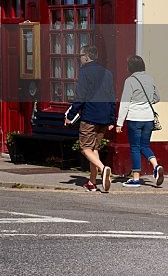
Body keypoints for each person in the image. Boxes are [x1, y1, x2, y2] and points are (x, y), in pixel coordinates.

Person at [66, 44, 117, 192]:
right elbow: (112, 97)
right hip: (104, 116)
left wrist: (70, 115)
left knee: (85, 147)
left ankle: (103, 168)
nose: (80, 59)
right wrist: (112, 119)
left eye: (80, 56)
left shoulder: (85, 72)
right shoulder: (107, 73)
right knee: (94, 149)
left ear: (86, 57)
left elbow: (80, 96)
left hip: (90, 115)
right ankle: (92, 182)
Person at [116, 55, 164, 187]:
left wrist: (119, 122)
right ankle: (156, 166)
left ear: (130, 67)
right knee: (145, 146)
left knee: (135, 148)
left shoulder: (130, 80)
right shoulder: (150, 78)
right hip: (148, 118)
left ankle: (136, 178)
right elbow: (157, 97)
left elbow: (125, 102)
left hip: (135, 118)